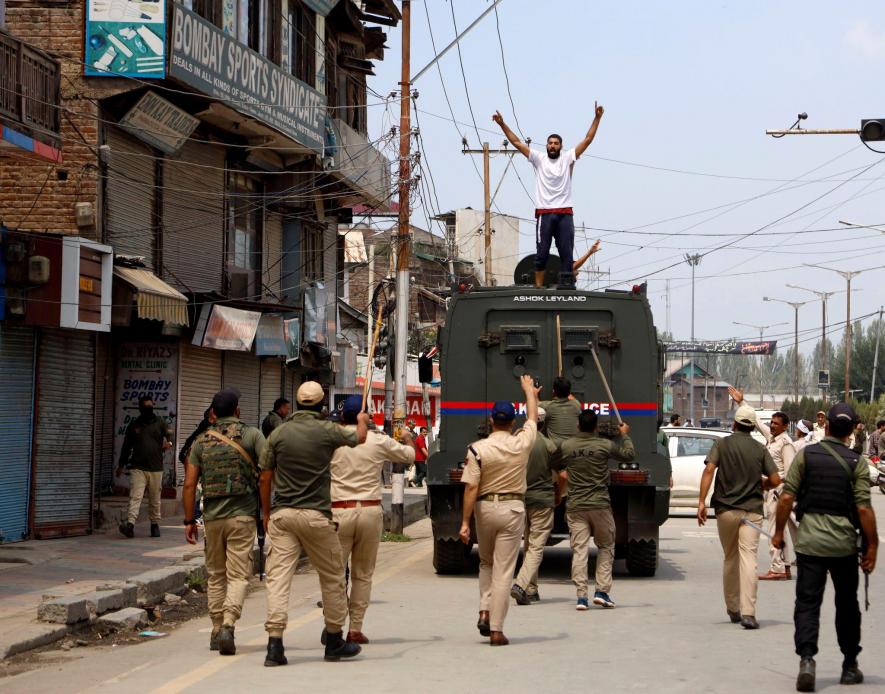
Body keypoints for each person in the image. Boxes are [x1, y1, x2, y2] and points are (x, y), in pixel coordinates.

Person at [260, 381, 369, 666]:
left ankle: (274, 644)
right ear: (322, 406)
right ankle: (334, 640)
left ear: (296, 404)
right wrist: (362, 420)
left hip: (283, 516)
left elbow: (265, 476)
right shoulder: (327, 430)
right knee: (333, 577)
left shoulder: (278, 433)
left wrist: (266, 512)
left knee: (278, 580)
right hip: (316, 516)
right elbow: (359, 438)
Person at [773, 403, 878, 692]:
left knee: (807, 603)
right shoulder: (857, 463)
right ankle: (849, 665)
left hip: (809, 544)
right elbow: (864, 510)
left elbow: (785, 499)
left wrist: (779, 533)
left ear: (827, 427)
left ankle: (807, 660)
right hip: (844, 545)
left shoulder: (807, 455)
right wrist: (873, 546)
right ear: (853, 429)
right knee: (847, 605)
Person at [183, 388, 265, 655]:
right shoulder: (252, 435)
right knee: (239, 574)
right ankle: (229, 622)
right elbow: (266, 472)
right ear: (238, 411)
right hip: (243, 516)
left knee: (216, 575)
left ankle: (216, 628)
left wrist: (188, 520)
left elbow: (189, 484)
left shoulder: (201, 442)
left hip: (213, 518)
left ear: (213, 414)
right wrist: (266, 510)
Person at [459, 374, 539, 646]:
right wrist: (529, 391)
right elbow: (533, 418)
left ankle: (484, 609)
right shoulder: (521, 443)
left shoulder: (477, 449)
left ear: (491, 420)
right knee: (504, 571)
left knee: (485, 562)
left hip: (484, 508)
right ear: (511, 422)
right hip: (513, 508)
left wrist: (465, 523)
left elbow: (470, 488)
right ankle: (496, 629)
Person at [330, 396, 415, 643]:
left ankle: (333, 625)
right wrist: (408, 438)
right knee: (362, 574)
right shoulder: (377, 440)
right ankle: (355, 628)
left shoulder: (332, 440)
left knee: (335, 574)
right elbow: (408, 455)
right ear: (363, 417)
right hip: (369, 510)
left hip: (338, 511)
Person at [492, 105, 604, 289]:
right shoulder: (539, 158)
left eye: (556, 143)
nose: (552, 145)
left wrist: (597, 118)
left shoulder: (568, 158)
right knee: (542, 252)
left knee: (566, 252)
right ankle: (538, 288)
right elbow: (517, 143)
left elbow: (588, 139)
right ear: (546, 145)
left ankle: (567, 286)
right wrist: (502, 124)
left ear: (561, 146)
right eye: (550, 143)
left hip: (565, 213)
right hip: (544, 213)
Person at [697, 404, 782, 629]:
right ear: (753, 427)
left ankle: (733, 608)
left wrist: (701, 502)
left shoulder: (721, 444)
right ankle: (749, 613)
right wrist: (761, 484)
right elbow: (775, 480)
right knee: (749, 559)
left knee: (731, 557)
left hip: (726, 510)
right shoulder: (760, 449)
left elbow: (708, 470)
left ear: (734, 424)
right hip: (752, 511)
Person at [558, 410, 634, 610]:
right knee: (606, 547)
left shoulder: (567, 446)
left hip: (575, 506)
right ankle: (601, 592)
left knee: (579, 551)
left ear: (578, 425)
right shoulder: (604, 445)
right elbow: (628, 455)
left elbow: (556, 463)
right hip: (600, 504)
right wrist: (624, 434)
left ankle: (581, 596)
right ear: (595, 427)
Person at [729, 388, 795, 580]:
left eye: (776, 424)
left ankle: (777, 568)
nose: (772, 426)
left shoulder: (786, 443)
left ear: (785, 426)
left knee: (776, 530)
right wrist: (742, 403)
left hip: (779, 493)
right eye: (772, 423)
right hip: (772, 492)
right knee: (785, 530)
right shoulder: (772, 438)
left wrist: (775, 486)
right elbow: (756, 422)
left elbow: (790, 473)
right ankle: (785, 567)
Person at [510, 407, 560, 605]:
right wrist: (558, 493)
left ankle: (531, 589)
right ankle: (521, 585)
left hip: (519, 499)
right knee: (536, 547)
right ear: (544, 423)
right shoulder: (549, 446)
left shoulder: (517, 441)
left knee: (528, 544)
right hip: (542, 500)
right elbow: (562, 475)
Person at [116, 396, 172, 538]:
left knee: (154, 498)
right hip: (138, 467)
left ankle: (154, 524)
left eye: (150, 406)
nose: (148, 409)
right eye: (146, 407)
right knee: (135, 496)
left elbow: (170, 434)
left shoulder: (160, 422)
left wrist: (169, 443)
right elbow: (126, 447)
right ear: (140, 409)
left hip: (156, 468)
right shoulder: (134, 425)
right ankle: (130, 524)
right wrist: (121, 466)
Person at [539, 377, 581, 446]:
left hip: (555, 450)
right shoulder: (576, 405)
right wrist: (566, 391)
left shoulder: (548, 406)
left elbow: (535, 404)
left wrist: (534, 393)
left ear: (554, 391)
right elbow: (572, 399)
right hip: (573, 449)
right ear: (569, 392)